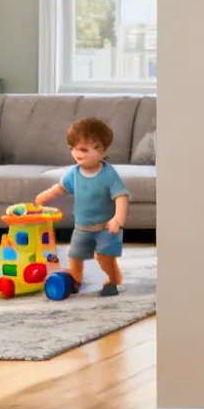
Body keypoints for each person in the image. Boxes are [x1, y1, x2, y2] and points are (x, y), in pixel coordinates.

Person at [32, 117, 130, 297]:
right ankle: (75, 280)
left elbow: (121, 196)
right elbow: (59, 188)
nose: (77, 153)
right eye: (73, 149)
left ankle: (113, 280)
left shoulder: (108, 174)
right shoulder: (74, 173)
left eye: (83, 149)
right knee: (74, 256)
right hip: (82, 227)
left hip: (106, 227)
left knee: (104, 257)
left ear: (100, 150)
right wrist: (44, 196)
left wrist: (118, 219)